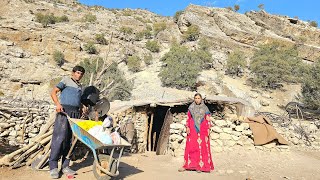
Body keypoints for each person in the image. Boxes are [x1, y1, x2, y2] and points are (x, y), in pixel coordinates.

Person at [49, 65, 85, 179]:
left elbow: (77, 101)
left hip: (75, 114)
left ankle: (65, 166)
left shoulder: (80, 86)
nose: (79, 75)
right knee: (59, 138)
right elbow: (53, 92)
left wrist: (82, 107)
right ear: (73, 72)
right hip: (64, 111)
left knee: (71, 140)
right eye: (77, 72)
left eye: (81, 74)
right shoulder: (66, 80)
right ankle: (53, 167)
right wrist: (58, 104)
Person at [179, 93, 214, 173]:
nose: (197, 100)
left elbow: (208, 118)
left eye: (198, 98)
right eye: (196, 98)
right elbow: (188, 117)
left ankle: (202, 166)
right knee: (192, 146)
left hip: (203, 129)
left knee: (202, 147)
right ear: (194, 99)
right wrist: (187, 127)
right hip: (192, 128)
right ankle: (190, 165)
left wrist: (208, 128)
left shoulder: (205, 108)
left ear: (201, 99)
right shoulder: (191, 107)